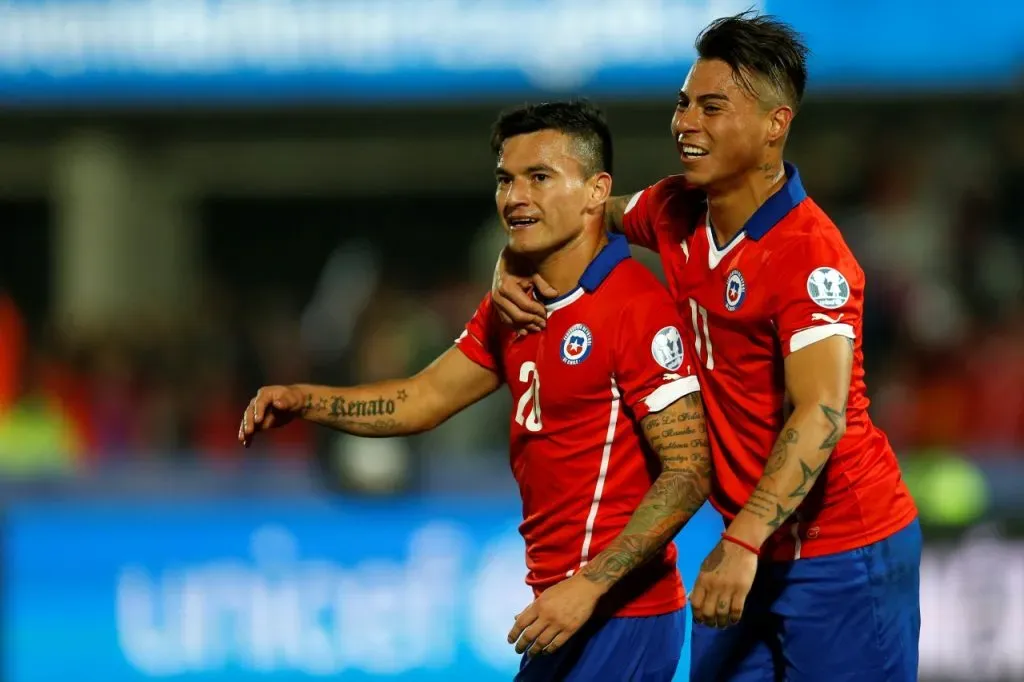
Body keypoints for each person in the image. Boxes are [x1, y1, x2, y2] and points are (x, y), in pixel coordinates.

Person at [491, 13, 920, 682]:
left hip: (842, 552)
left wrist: (745, 538)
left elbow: (821, 415)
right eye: (683, 103)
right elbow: (575, 211)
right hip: (750, 545)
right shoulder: (672, 210)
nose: (684, 122)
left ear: (775, 124)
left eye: (711, 107)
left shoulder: (809, 258)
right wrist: (508, 264)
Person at [239, 100, 713, 682]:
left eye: (539, 177)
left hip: (621, 615)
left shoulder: (635, 309)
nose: (516, 197)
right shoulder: (515, 305)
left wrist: (587, 587)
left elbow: (689, 470)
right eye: (505, 180)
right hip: (562, 614)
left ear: (596, 191)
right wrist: (305, 399)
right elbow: (422, 399)